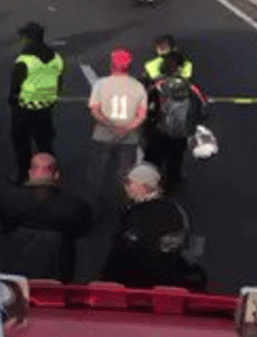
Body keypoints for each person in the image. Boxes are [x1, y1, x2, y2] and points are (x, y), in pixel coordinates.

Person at [101, 163, 207, 291]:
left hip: (134, 292)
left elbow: (128, 252)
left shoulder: (137, 214)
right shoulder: (175, 212)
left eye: (129, 182)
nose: (125, 186)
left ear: (145, 186)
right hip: (164, 291)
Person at [0, 153, 93, 282]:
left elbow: (5, 226)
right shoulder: (76, 205)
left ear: (30, 173)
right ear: (56, 175)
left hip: (19, 259)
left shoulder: (7, 198)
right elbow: (82, 230)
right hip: (58, 263)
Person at [87, 48, 148, 217]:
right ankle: (125, 207)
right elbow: (142, 115)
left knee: (98, 170)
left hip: (103, 136)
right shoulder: (138, 86)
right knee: (125, 172)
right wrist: (126, 128)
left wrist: (111, 125)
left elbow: (94, 110)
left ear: (112, 65)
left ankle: (95, 205)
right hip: (129, 138)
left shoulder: (101, 84)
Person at [144, 52, 208, 194]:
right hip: (180, 134)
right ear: (179, 68)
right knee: (174, 164)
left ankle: (147, 192)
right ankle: (171, 192)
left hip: (159, 131)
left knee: (151, 162)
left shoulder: (158, 85)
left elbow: (144, 107)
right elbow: (204, 110)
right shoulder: (191, 87)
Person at [9, 22, 65, 183]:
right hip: (45, 106)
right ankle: (49, 173)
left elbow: (15, 85)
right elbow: (59, 80)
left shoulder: (25, 60)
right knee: (45, 143)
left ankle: (23, 172)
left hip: (25, 107)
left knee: (21, 142)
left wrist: (13, 101)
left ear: (28, 39)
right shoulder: (56, 57)